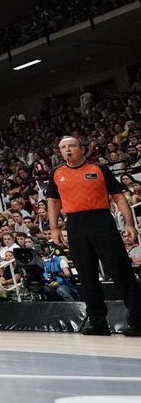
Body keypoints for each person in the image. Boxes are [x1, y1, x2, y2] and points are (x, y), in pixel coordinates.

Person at [45, 135, 141, 336]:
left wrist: (129, 223)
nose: (68, 150)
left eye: (72, 146)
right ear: (60, 152)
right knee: (87, 275)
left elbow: (119, 197)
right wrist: (54, 229)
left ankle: (138, 321)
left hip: (102, 221)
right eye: (64, 147)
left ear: (81, 148)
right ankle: (98, 323)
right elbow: (53, 202)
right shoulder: (56, 173)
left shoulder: (99, 169)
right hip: (75, 224)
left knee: (121, 271)